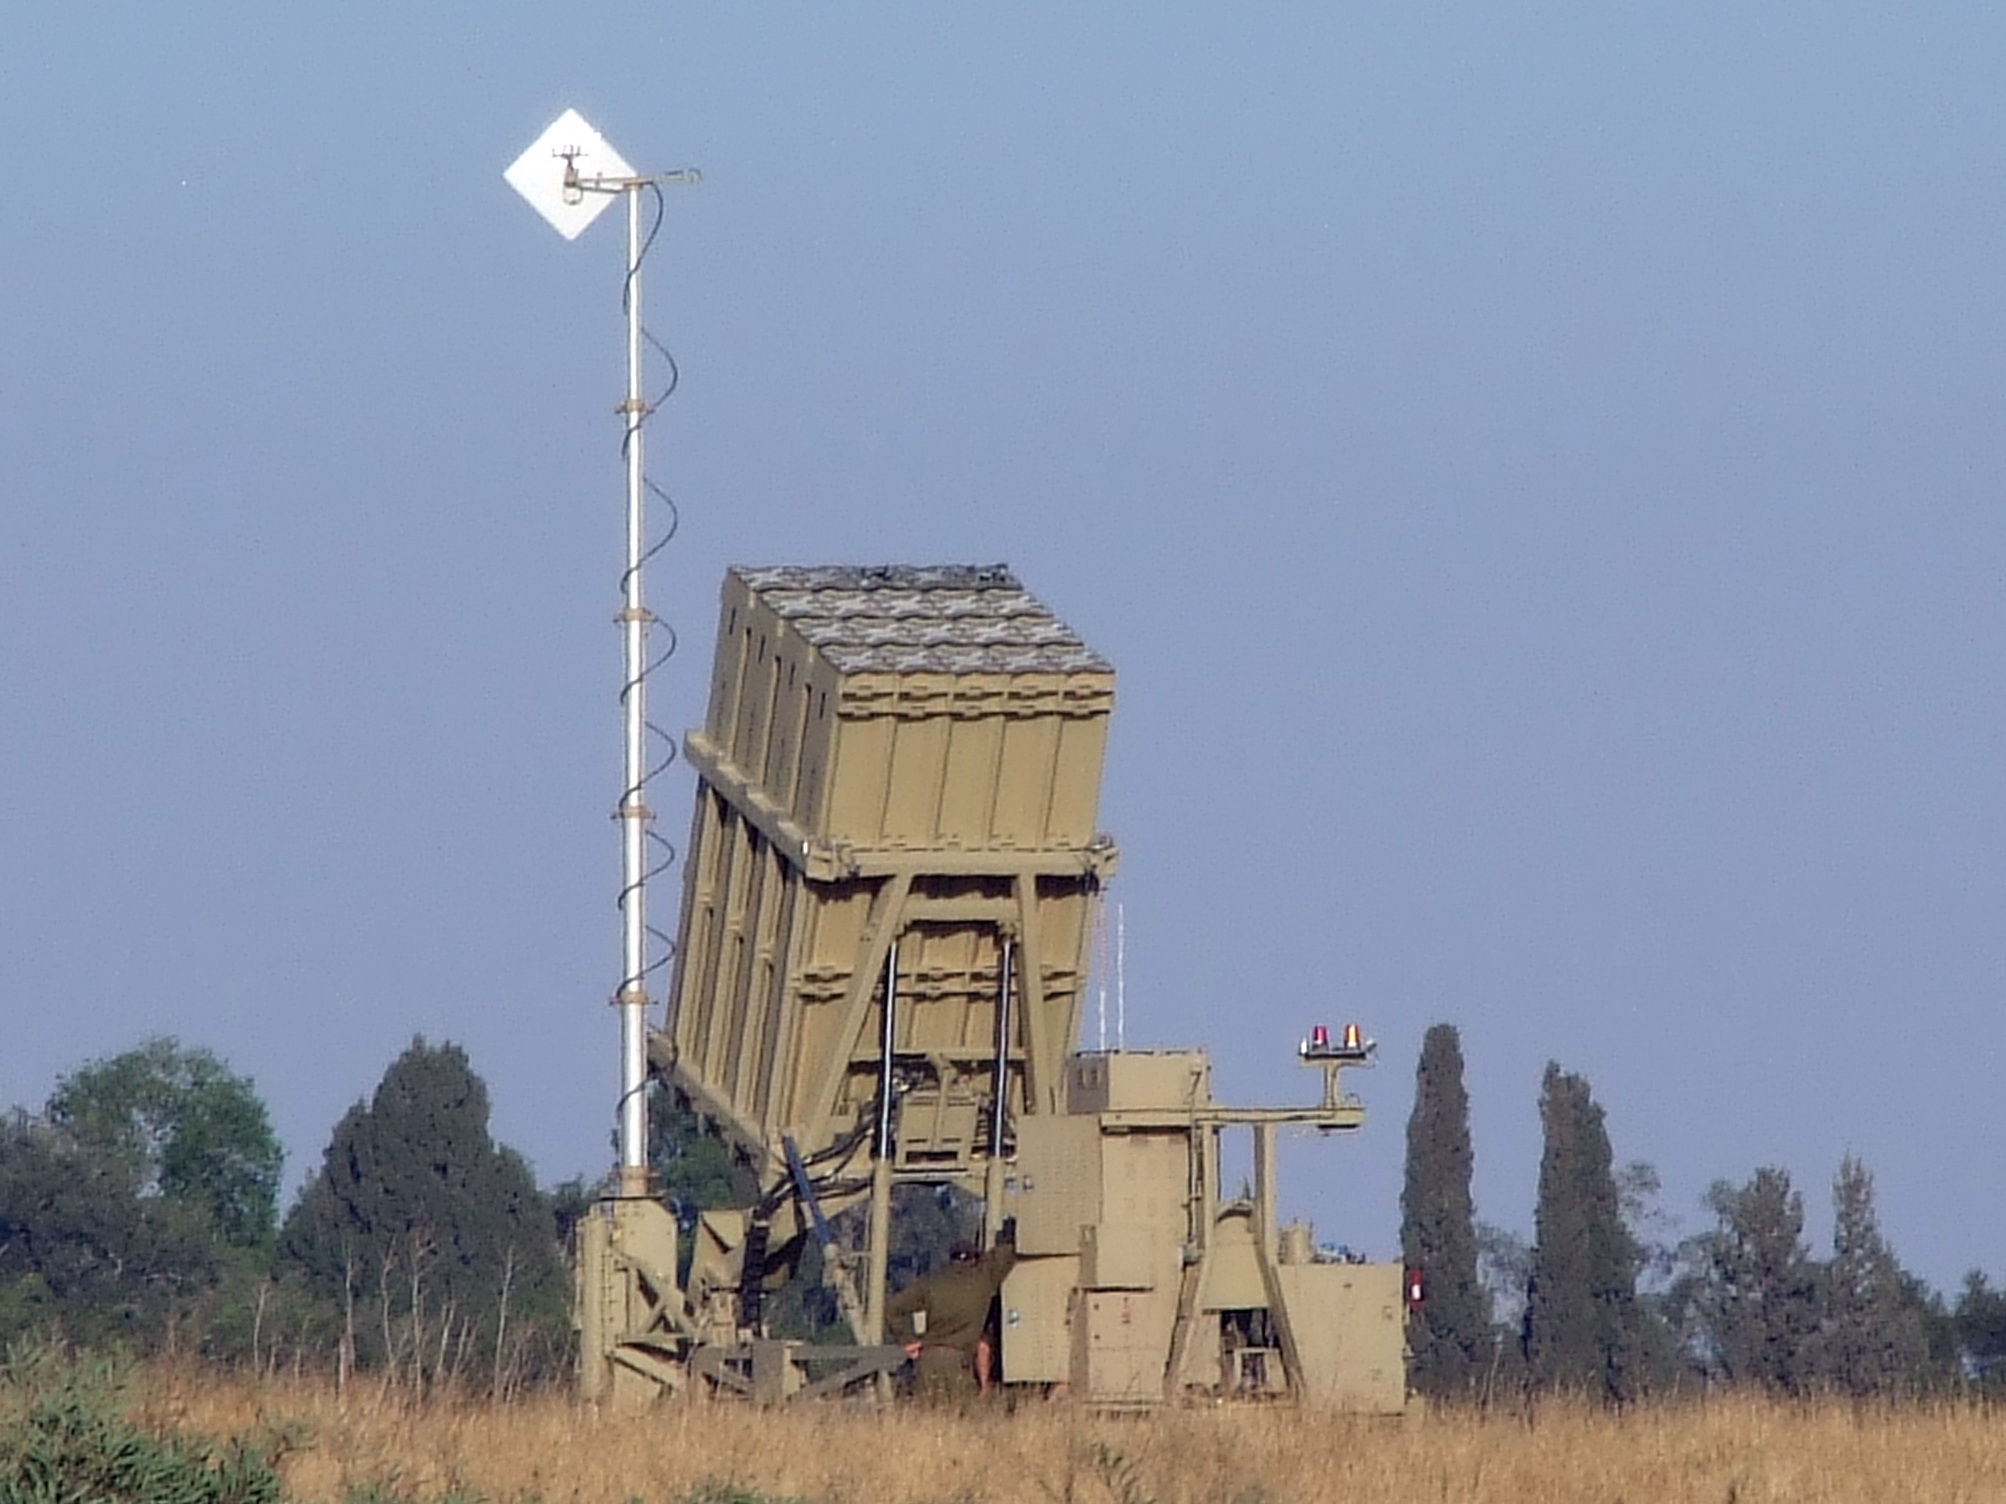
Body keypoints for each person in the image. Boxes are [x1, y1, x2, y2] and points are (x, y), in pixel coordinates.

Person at [883, 1221, 1017, 1402]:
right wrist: (1010, 1229)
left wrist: (908, 1339)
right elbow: (1007, 1253)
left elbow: (893, 1308)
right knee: (960, 1419)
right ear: (974, 1259)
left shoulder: (931, 1281)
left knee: (926, 1420)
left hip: (927, 1360)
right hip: (958, 1362)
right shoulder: (983, 1277)